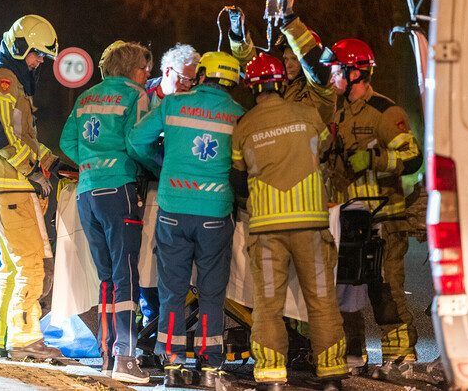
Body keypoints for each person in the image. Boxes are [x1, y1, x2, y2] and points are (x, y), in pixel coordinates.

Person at [230, 52, 348, 391]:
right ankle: (331, 375)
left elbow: (238, 179)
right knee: (321, 301)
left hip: (266, 229)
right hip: (310, 224)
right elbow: (325, 149)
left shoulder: (244, 126)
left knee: (268, 305)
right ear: (281, 82)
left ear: (252, 87)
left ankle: (271, 376)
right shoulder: (308, 114)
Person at [127, 51, 244, 388]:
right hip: (215, 213)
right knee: (211, 292)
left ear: (203, 74)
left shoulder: (173, 104)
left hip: (174, 209)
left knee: (173, 291)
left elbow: (136, 139)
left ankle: (173, 364)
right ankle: (210, 368)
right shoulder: (238, 114)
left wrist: (163, 165)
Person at [323, 38, 423, 364]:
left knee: (385, 287)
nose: (332, 75)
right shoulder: (339, 113)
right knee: (346, 285)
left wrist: (373, 160)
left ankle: (400, 355)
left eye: (337, 69)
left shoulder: (385, 111)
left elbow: (412, 158)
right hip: (349, 216)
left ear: (356, 73)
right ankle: (354, 353)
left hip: (384, 217)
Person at [59, 40, 152, 383]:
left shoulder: (86, 97)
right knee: (126, 273)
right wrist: (153, 167)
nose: (147, 74)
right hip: (119, 189)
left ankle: (106, 352)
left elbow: (67, 142)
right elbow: (137, 141)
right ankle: (126, 359)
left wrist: (90, 163)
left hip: (87, 192)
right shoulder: (135, 95)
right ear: (132, 70)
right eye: (145, 68)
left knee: (107, 277)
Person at [0, 14, 61, 360]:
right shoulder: (2, 79)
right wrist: (32, 171)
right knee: (30, 264)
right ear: (20, 46)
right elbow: (0, 135)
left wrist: (51, 162)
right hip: (9, 185)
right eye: (37, 55)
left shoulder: (5, 78)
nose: (39, 62)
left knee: (11, 267)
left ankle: (1, 338)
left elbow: (21, 135)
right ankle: (25, 339)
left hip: (3, 186)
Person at [139, 43, 201, 331]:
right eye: (184, 78)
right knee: (144, 259)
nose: (188, 85)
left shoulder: (193, 101)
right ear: (167, 71)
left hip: (176, 191)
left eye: (193, 79)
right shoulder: (143, 95)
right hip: (146, 184)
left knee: (168, 261)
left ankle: (166, 322)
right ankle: (150, 318)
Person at [227, 0, 335, 125]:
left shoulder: (322, 91)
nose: (288, 65)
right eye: (286, 59)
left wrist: (289, 19)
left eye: (294, 59)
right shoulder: (280, 87)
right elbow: (252, 67)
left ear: (304, 60)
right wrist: (238, 36)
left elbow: (311, 59)